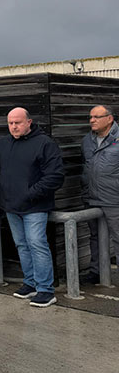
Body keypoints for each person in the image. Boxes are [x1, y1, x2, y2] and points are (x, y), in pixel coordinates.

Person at [0, 108, 64, 308]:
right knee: (22, 245)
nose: (14, 126)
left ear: (29, 122)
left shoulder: (45, 143)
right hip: (11, 206)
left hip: (35, 206)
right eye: (10, 123)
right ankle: (31, 283)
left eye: (17, 122)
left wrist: (29, 194)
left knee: (37, 244)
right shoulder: (3, 144)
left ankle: (46, 290)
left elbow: (55, 176)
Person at [81, 105, 119, 284]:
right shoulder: (87, 140)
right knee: (95, 237)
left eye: (97, 117)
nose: (92, 120)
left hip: (114, 199)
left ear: (109, 119)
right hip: (91, 197)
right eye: (90, 117)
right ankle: (96, 272)